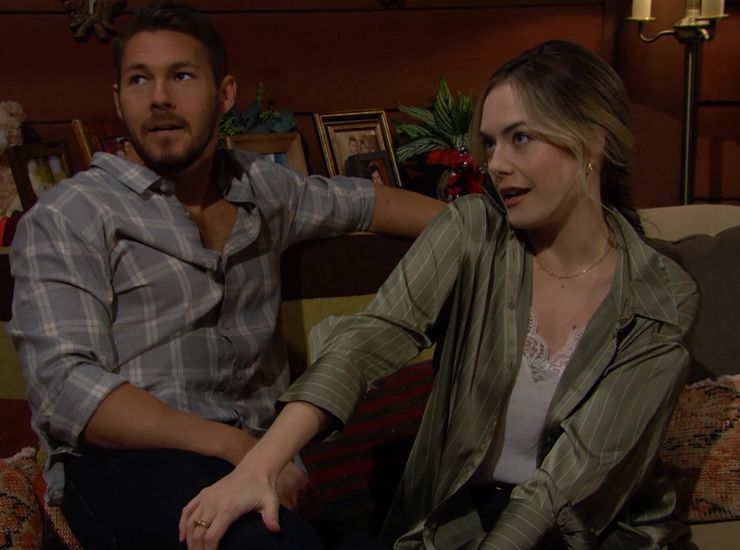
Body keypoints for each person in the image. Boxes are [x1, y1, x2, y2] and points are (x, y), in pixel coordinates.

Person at [179, 41, 699, 550]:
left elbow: (569, 482)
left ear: (591, 140)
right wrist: (258, 468)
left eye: (520, 138)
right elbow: (364, 345)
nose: (496, 163)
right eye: (490, 143)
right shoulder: (473, 231)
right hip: (456, 517)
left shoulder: (661, 296)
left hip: (583, 530)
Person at [8, 2, 444, 549]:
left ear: (225, 93)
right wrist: (243, 449)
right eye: (139, 79)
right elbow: (66, 390)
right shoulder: (69, 214)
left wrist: (491, 228)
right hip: (123, 463)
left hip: (254, 466)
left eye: (181, 76)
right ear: (118, 99)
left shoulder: (262, 188)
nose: (159, 97)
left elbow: (365, 203)